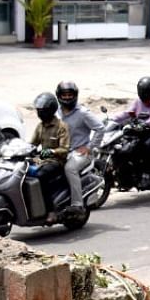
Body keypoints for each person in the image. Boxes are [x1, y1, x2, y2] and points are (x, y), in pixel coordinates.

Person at [55, 80, 102, 212]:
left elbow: (100, 128)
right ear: (59, 96)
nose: (67, 97)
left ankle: (77, 204)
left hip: (80, 153)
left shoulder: (82, 113)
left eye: (70, 94)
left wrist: (90, 147)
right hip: (62, 151)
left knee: (70, 168)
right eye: (64, 95)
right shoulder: (56, 112)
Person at [115, 76, 150, 188]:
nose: (143, 93)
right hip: (140, 130)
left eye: (145, 91)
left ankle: (147, 174)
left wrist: (146, 123)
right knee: (125, 146)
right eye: (141, 90)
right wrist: (112, 119)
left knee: (146, 146)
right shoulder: (137, 102)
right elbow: (127, 113)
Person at [29, 92, 75, 216]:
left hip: (57, 162)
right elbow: (32, 144)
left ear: (50, 110)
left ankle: (50, 211)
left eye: (42, 110)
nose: (39, 113)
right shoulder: (40, 126)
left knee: (41, 176)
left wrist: (51, 151)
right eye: (38, 110)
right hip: (42, 161)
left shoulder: (61, 126)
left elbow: (64, 149)